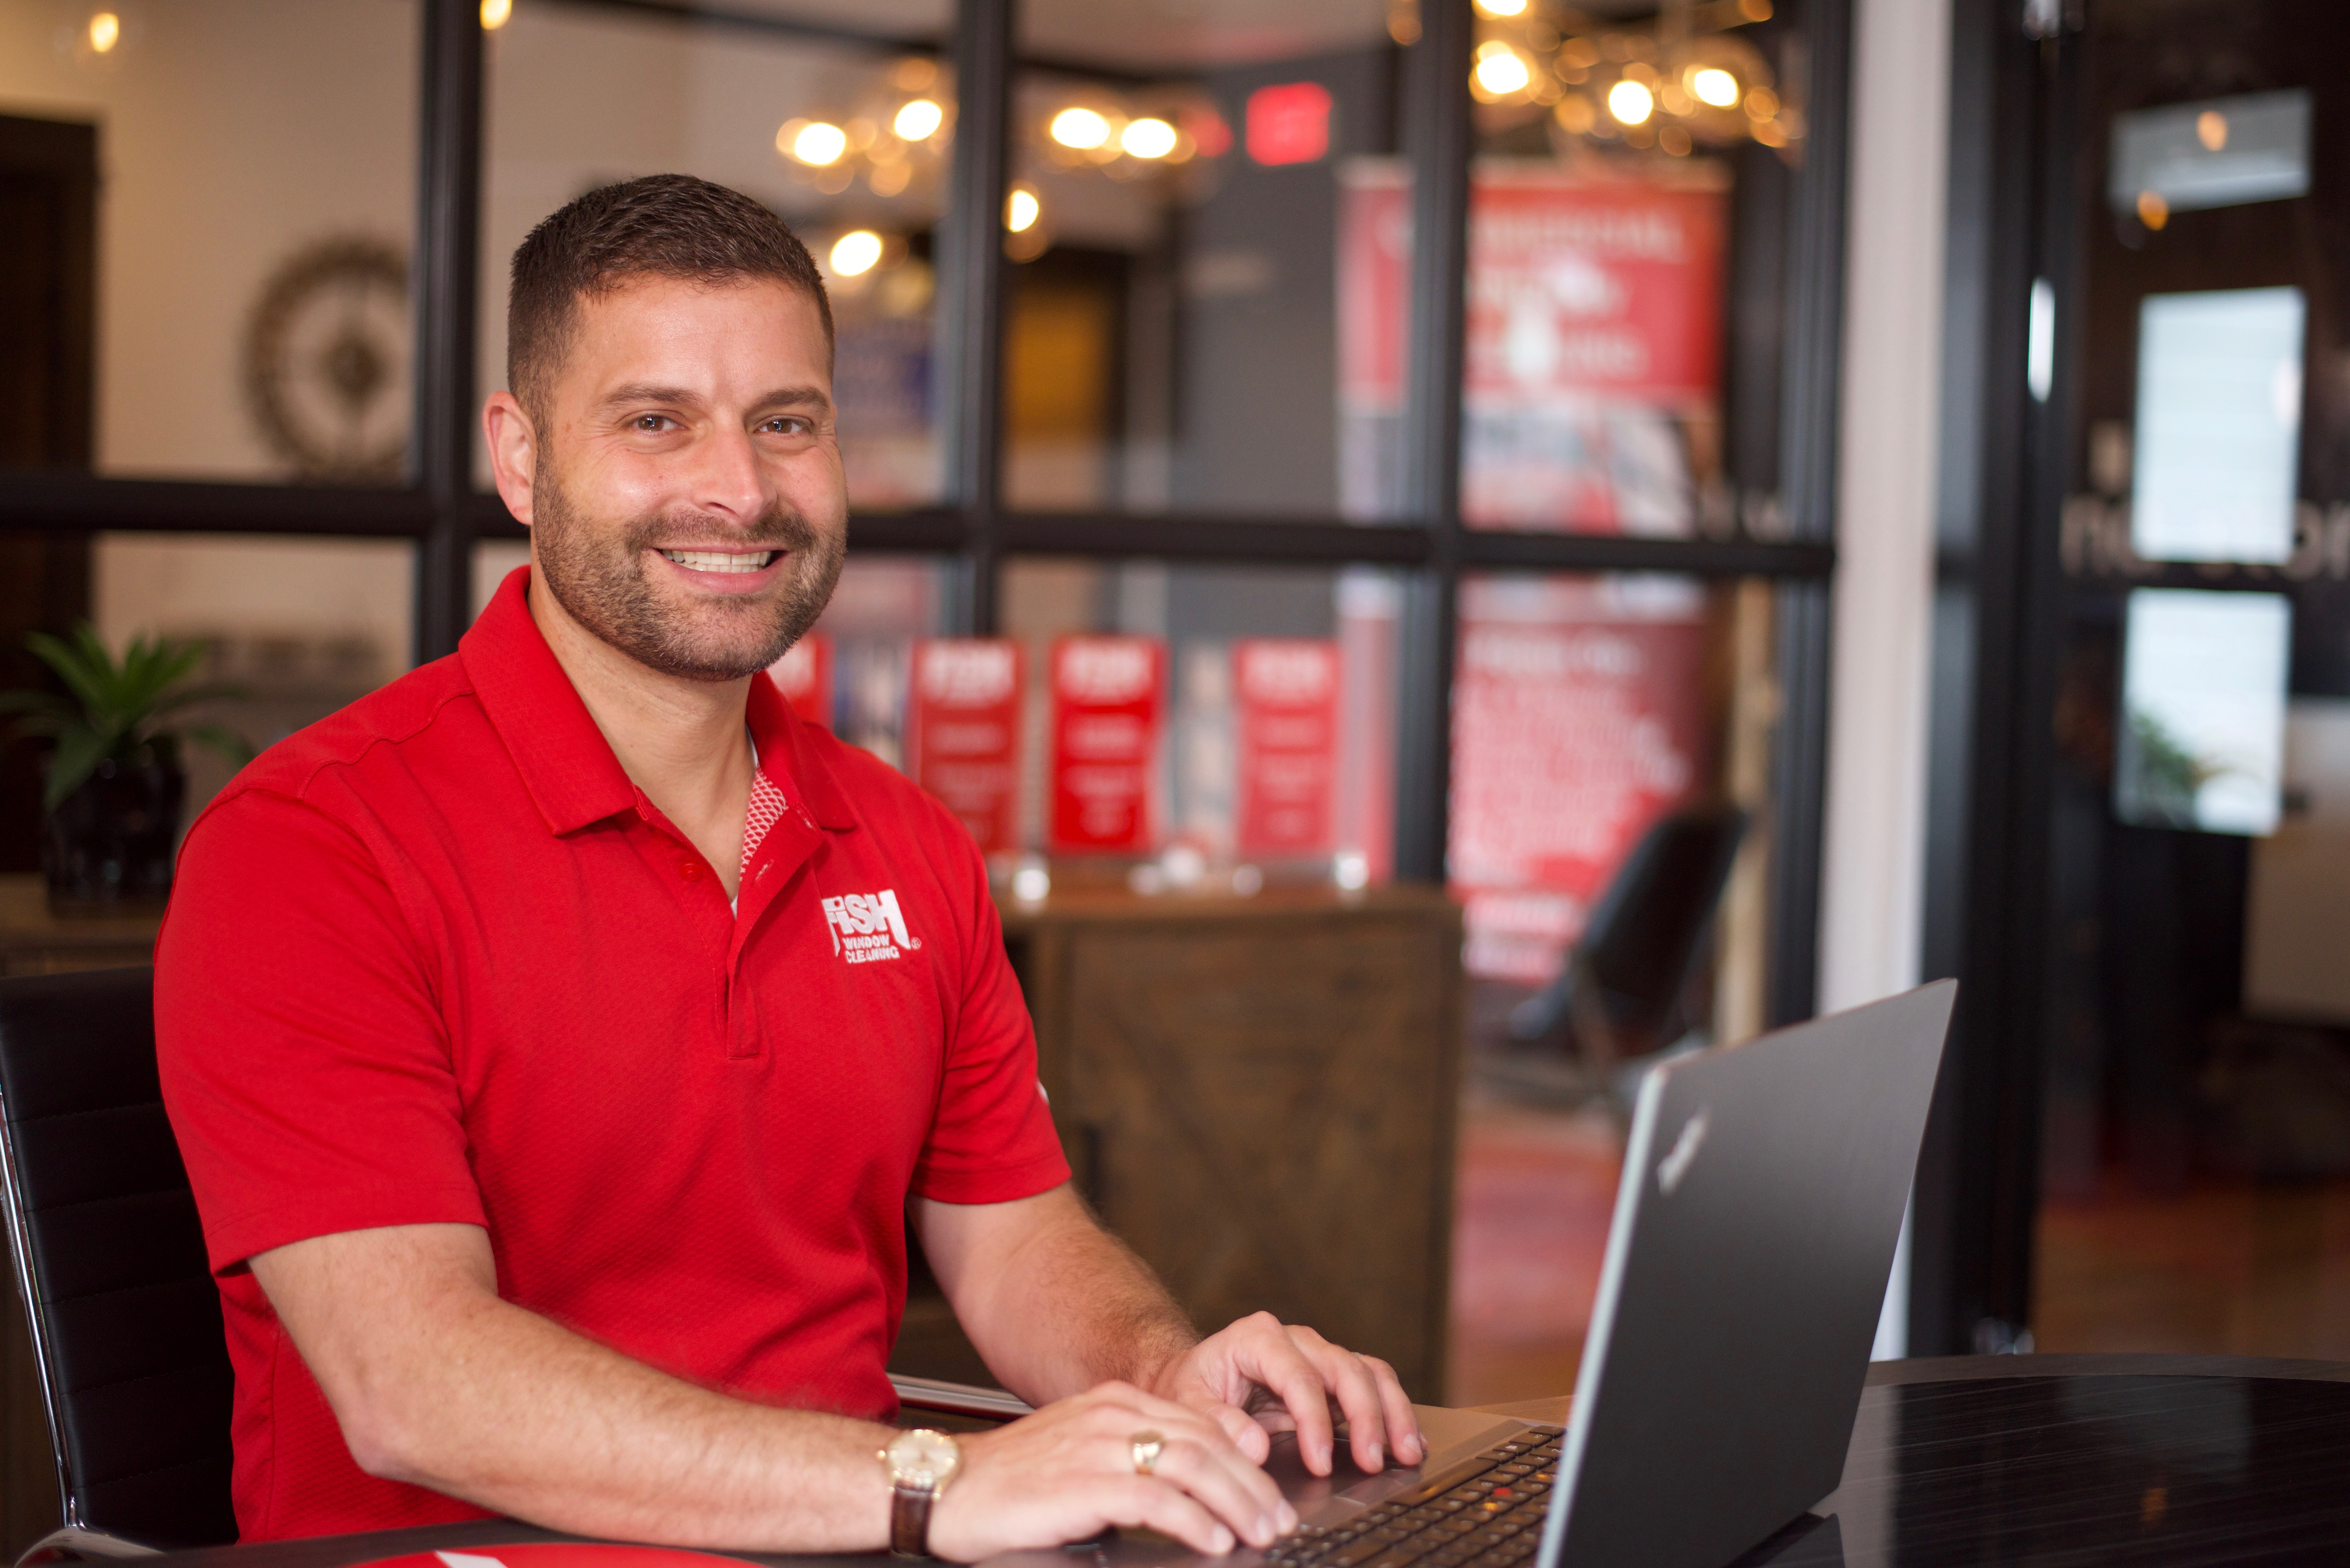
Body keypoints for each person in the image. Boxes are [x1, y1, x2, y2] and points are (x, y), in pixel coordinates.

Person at [153, 174, 1422, 1561]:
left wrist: (1159, 1378)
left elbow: (1009, 1243)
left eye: (786, 423)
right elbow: (415, 1384)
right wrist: (939, 1482)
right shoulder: (311, 849)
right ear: (520, 461)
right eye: (656, 422)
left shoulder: (906, 843)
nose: (738, 487)